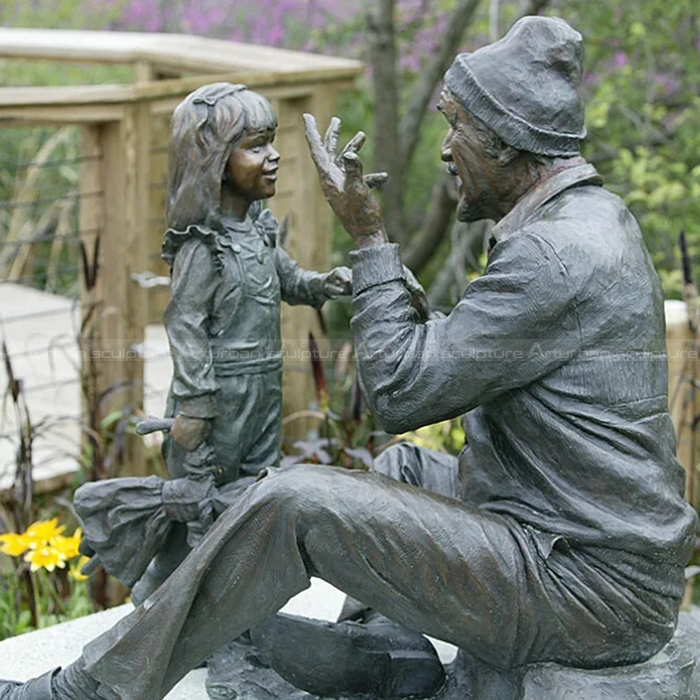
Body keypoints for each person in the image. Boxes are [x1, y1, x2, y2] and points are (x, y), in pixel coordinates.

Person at [0, 15, 696, 700]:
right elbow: (475, 349)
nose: (448, 150)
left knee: (296, 501)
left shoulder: (555, 252)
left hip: (588, 594)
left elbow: (400, 391)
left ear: (509, 145)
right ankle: (390, 661)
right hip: (585, 551)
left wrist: (368, 238)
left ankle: (89, 691)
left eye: (459, 129)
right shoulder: (589, 219)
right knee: (404, 471)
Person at [131, 82, 352, 603]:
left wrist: (323, 284)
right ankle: (170, 600)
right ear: (213, 160)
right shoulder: (201, 247)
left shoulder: (258, 229)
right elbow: (184, 325)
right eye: (256, 146)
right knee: (204, 506)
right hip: (217, 402)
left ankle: (226, 606)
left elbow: (288, 280)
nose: (274, 156)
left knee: (253, 497)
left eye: (271, 141)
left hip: (263, 390)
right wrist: (197, 406)